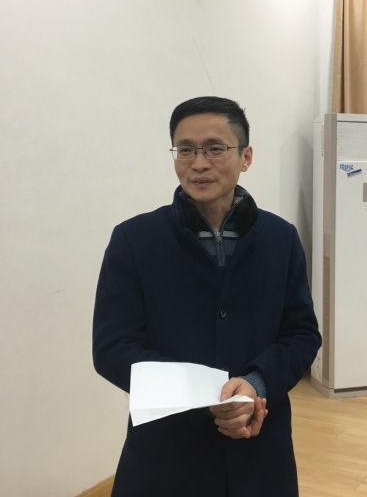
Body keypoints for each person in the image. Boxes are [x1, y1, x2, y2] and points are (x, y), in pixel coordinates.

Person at [93, 96, 322, 496]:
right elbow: (112, 348)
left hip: (259, 447)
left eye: (215, 148)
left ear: (246, 156)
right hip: (166, 453)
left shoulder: (280, 239)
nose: (198, 163)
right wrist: (202, 394)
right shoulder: (134, 240)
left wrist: (255, 384)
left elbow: (301, 335)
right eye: (185, 150)